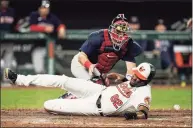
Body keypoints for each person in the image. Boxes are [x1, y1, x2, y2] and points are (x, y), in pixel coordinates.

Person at [4, 62, 156, 119]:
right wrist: (121, 77)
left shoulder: (143, 92)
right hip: (98, 90)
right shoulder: (135, 81)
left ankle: (71, 98)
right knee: (63, 80)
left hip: (96, 107)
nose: (134, 76)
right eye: (135, 74)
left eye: (137, 76)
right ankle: (19, 79)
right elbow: (129, 81)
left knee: (48, 105)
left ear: (145, 80)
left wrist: (133, 115)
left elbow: (143, 112)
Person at [66, 14, 143, 99]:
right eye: (118, 31)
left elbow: (131, 69)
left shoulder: (128, 44)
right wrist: (89, 65)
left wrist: (128, 83)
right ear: (112, 29)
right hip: (81, 65)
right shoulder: (99, 37)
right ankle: (66, 99)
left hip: (97, 71)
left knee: (104, 88)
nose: (120, 35)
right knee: (94, 88)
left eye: (123, 32)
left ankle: (75, 96)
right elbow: (81, 56)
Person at [29, 0, 66, 73]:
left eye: (47, 8)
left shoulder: (52, 17)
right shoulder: (34, 15)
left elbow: (60, 24)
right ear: (39, 8)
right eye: (43, 8)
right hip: (38, 46)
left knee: (52, 68)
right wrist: (44, 28)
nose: (46, 10)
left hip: (50, 46)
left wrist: (61, 29)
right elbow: (31, 27)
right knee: (39, 70)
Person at [0, 0, 16, 81]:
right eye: (3, 1)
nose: (5, 3)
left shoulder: (11, 11)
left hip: (9, 39)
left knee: (8, 63)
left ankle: (6, 81)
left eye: (6, 1)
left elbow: (14, 23)